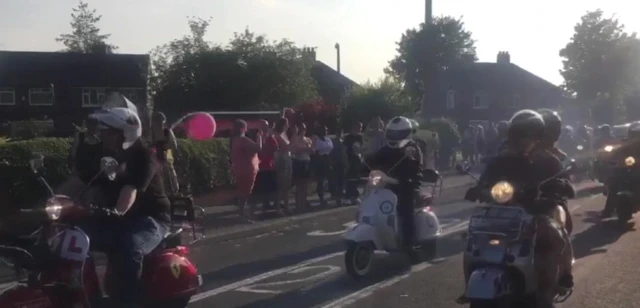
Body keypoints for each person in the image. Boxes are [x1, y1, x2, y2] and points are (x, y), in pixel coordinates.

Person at [460, 109, 569, 306]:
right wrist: (478, 190)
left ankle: (547, 289)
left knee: (553, 236)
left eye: (528, 135)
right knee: (472, 242)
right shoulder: (501, 159)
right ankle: (470, 284)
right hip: (501, 216)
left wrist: (557, 189)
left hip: (534, 214)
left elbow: (562, 181)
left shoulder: (547, 160)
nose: (523, 140)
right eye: (518, 134)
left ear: (538, 137)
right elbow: (485, 180)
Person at [88, 107, 171, 307]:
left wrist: (118, 211)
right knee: (79, 238)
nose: (103, 135)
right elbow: (89, 183)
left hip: (151, 219)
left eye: (108, 131)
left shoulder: (144, 155)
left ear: (125, 132)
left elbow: (130, 189)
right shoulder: (112, 156)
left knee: (130, 247)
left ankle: (127, 302)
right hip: (122, 218)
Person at [533, 108, 575, 289]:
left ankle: (566, 274)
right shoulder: (517, 151)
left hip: (549, 203)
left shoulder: (558, 156)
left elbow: (566, 179)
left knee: (559, 233)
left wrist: (562, 184)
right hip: (517, 203)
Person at [367, 116, 423, 251]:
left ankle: (410, 243)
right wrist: (361, 165)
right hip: (387, 184)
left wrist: (411, 158)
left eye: (399, 134)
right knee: (370, 201)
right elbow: (373, 160)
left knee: (405, 209)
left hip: (406, 185)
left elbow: (415, 169)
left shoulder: (413, 149)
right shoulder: (386, 149)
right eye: (392, 133)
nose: (395, 136)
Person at [601, 121, 640, 217]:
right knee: (613, 184)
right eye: (634, 134)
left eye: (638, 134)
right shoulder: (625, 144)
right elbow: (615, 152)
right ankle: (607, 210)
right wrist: (610, 154)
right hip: (624, 169)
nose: (636, 137)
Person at [230, 119, 262, 221]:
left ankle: (242, 213)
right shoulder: (243, 139)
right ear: (242, 128)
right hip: (247, 169)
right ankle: (242, 214)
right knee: (245, 193)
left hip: (239, 168)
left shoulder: (234, 140)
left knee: (242, 192)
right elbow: (258, 148)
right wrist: (259, 136)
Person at [151, 111, 180, 195]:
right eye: (156, 122)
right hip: (157, 153)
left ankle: (174, 189)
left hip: (167, 152)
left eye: (159, 122)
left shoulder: (167, 131)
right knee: (159, 172)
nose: (157, 124)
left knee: (169, 169)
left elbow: (173, 144)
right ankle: (162, 189)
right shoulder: (153, 132)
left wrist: (166, 149)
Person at [254, 119, 279, 213]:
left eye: (266, 126)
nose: (264, 128)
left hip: (269, 165)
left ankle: (270, 204)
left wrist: (266, 149)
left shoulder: (270, 138)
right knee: (261, 188)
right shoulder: (256, 137)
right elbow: (256, 149)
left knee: (272, 187)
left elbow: (275, 148)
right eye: (262, 125)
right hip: (259, 166)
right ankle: (264, 205)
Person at [291, 123, 313, 212]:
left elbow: (312, 150)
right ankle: (298, 205)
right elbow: (296, 150)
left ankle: (303, 204)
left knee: (304, 185)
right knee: (299, 185)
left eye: (304, 129)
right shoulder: (295, 138)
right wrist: (305, 148)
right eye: (301, 128)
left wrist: (304, 148)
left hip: (306, 161)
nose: (303, 130)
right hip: (298, 162)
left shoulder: (307, 139)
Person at [273, 118, 293, 215]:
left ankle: (286, 206)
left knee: (287, 185)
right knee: (280, 185)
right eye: (287, 124)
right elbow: (286, 147)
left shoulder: (284, 134)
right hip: (281, 160)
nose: (288, 126)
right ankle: (278, 208)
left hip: (288, 158)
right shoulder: (277, 135)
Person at [344, 122, 364, 204]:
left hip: (357, 160)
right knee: (350, 179)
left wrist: (362, 158)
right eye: (359, 127)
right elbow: (344, 150)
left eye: (361, 128)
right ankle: (348, 196)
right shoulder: (348, 138)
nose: (360, 129)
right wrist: (346, 162)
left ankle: (355, 196)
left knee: (356, 178)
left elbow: (361, 149)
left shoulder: (360, 137)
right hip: (350, 159)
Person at [313, 125, 333, 206]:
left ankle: (332, 195)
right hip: (321, 161)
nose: (325, 131)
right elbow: (316, 152)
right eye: (324, 130)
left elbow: (331, 149)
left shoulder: (328, 140)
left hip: (328, 160)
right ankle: (321, 198)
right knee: (320, 181)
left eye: (326, 130)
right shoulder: (317, 140)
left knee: (329, 179)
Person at [329, 128, 348, 206]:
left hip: (339, 163)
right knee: (338, 181)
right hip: (337, 163)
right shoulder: (336, 142)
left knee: (339, 181)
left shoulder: (338, 142)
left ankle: (338, 198)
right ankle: (338, 199)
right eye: (339, 133)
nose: (340, 134)